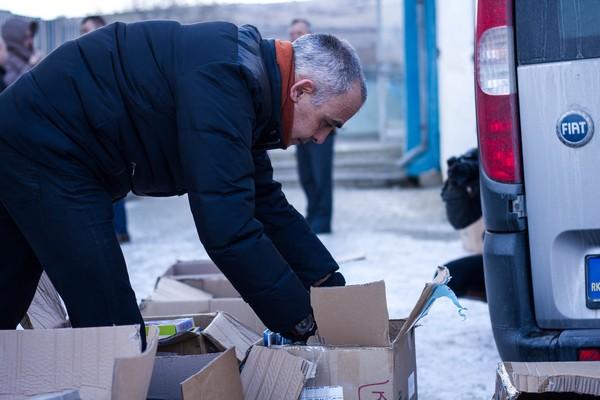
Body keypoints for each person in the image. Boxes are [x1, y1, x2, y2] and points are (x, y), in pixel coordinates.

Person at [0, 21, 366, 344]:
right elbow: (228, 230)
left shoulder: (246, 84)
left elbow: (264, 202)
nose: (321, 139)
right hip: (48, 149)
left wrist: (327, 284)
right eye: (327, 123)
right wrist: (302, 322)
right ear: (300, 90)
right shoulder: (225, 83)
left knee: (8, 288)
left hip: (31, 137)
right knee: (112, 325)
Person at [80, 15, 131, 243]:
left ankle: (119, 231)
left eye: (87, 30)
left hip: (112, 132)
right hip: (96, 132)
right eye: (81, 30)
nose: (82, 35)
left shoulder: (112, 58)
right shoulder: (82, 60)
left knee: (115, 183)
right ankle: (115, 231)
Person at [290, 18, 336, 234]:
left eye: (299, 32)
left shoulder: (323, 59)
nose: (295, 36)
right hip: (301, 129)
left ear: (310, 35)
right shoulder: (291, 60)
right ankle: (312, 215)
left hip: (321, 128)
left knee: (321, 175)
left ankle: (323, 221)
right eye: (292, 33)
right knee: (306, 175)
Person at [440, 148, 486, 302]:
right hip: (501, 256)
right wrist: (455, 185)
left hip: (529, 253)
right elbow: (460, 220)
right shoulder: (481, 157)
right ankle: (498, 302)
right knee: (446, 277)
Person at [1, 17, 41, 87]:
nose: (30, 41)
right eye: (26, 37)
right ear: (15, 38)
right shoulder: (5, 58)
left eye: (31, 36)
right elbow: (9, 88)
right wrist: (30, 65)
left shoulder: (26, 56)